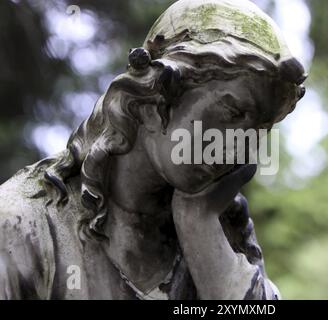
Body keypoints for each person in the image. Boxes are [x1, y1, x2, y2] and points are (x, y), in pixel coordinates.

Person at [0, 0, 306, 299]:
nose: (241, 148)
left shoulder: (224, 228)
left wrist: (200, 228)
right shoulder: (22, 225)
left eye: (260, 129)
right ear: (156, 101)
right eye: (233, 113)